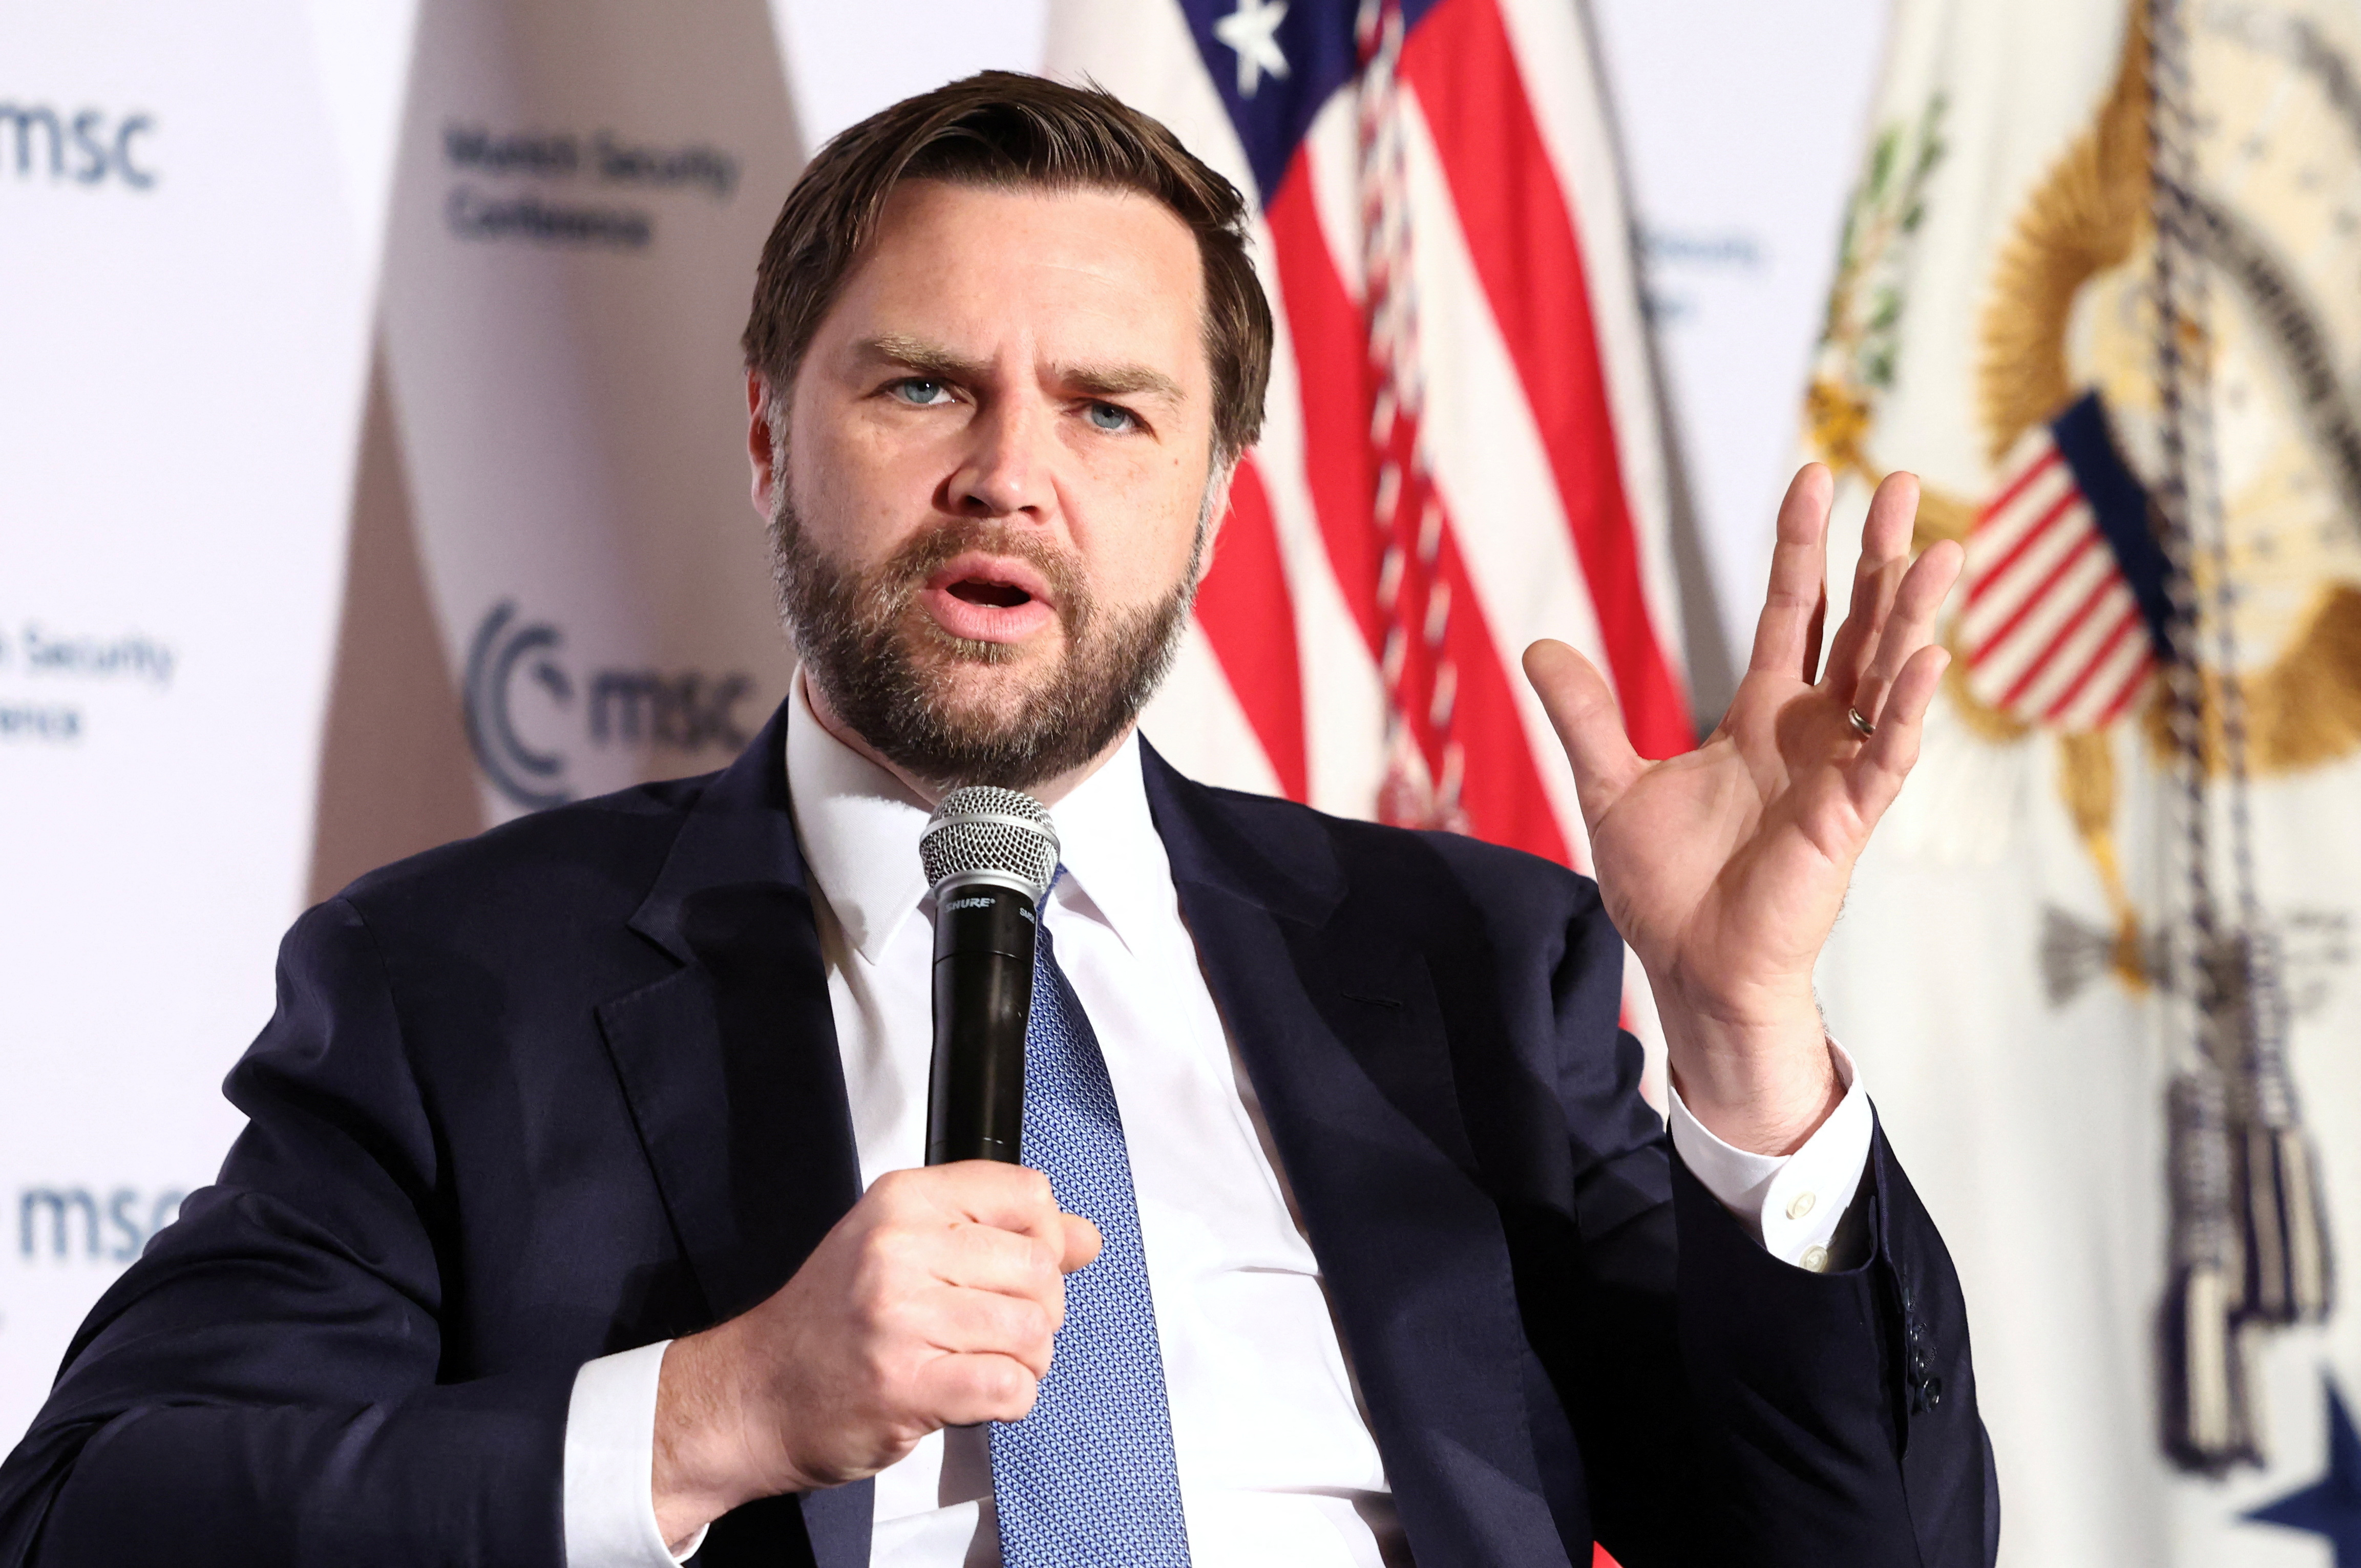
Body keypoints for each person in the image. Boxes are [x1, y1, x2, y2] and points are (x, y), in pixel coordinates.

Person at [0, 73, 1992, 1568]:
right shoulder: (463, 982)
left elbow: (1866, 1546)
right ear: (773, 426)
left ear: (1215, 497)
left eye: (1110, 409)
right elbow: (100, 1508)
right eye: (927, 388)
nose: (1010, 478)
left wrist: (1743, 1038)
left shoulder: (1463, 966)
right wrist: (721, 1407)